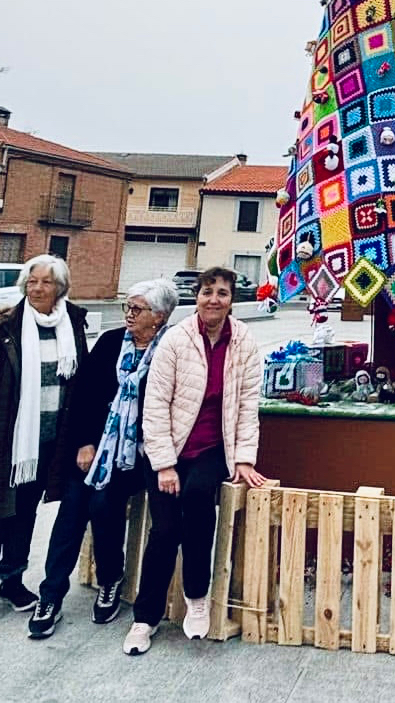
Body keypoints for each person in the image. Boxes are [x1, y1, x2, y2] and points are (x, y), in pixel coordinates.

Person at [123, 267, 266, 656]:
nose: (213, 300)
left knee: (200, 500)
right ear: (196, 297)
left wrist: (244, 459)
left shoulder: (244, 342)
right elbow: (154, 406)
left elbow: (248, 405)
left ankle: (197, 597)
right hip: (169, 448)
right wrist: (165, 464)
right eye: (206, 292)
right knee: (165, 530)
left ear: (232, 300)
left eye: (221, 293)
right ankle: (144, 618)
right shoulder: (176, 340)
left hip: (211, 448)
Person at [26, 279, 179, 638]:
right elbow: (85, 395)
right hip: (97, 448)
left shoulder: (170, 349)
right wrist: (84, 443)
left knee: (104, 503)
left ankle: (111, 579)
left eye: (137, 309)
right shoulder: (111, 343)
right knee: (73, 508)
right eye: (128, 306)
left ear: (158, 317)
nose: (129, 313)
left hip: (138, 455)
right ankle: (50, 595)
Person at [0, 255, 89, 624]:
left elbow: (79, 386)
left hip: (46, 445)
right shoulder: (4, 327)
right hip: (5, 443)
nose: (38, 288)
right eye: (32, 282)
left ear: (60, 288)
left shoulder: (72, 323)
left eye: (46, 282)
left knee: (24, 513)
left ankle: (12, 580)